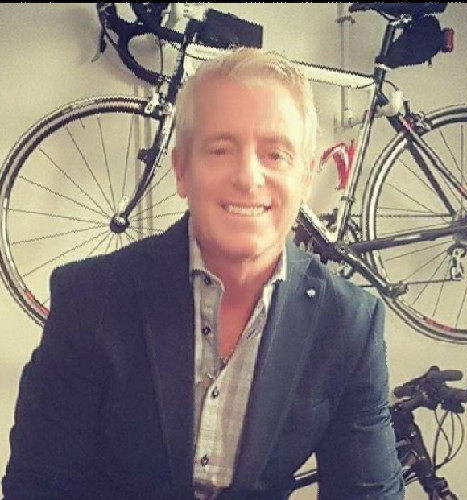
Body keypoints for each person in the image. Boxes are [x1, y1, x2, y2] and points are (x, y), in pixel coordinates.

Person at [2, 47, 404, 500]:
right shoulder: (90, 298)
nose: (248, 177)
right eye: (220, 150)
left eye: (275, 154)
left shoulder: (350, 323)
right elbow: (39, 487)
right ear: (181, 171)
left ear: (307, 177)